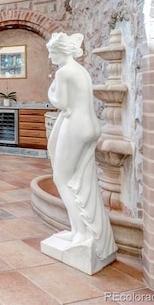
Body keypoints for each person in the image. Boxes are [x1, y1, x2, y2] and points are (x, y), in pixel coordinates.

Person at [46, 32, 116, 259]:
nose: (50, 56)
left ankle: (81, 234)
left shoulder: (64, 71)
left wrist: (51, 90)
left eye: (52, 52)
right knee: (81, 178)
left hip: (75, 126)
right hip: (90, 126)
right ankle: (83, 230)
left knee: (62, 178)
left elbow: (61, 103)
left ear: (62, 51)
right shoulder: (80, 70)